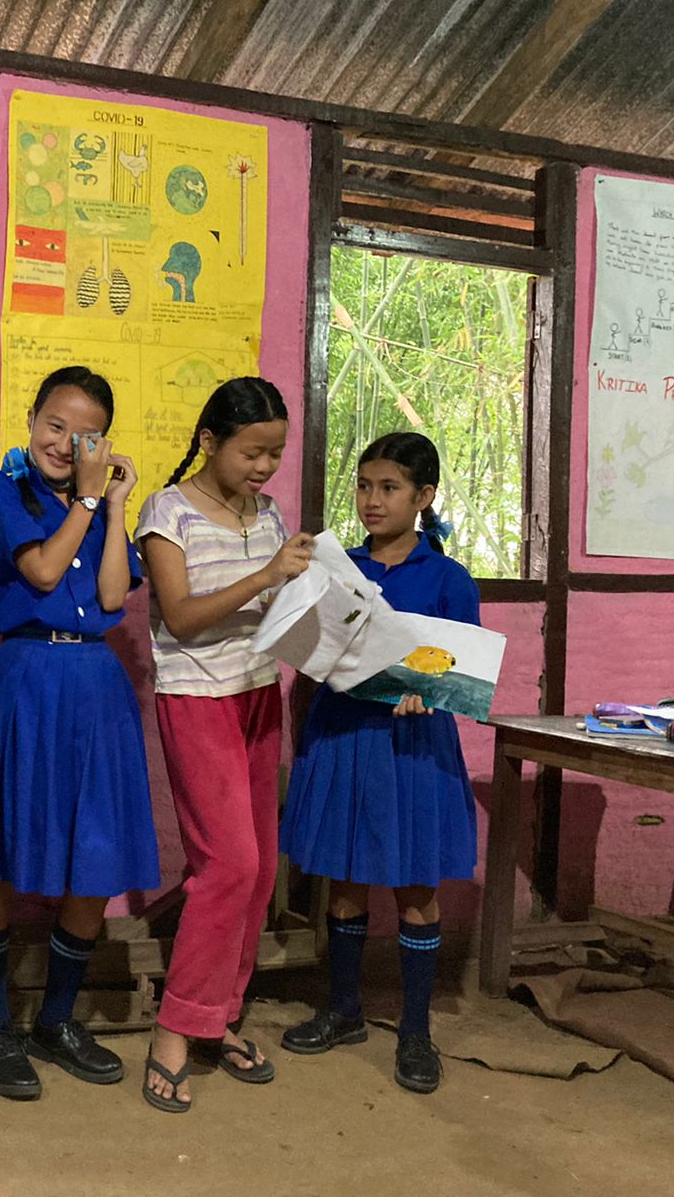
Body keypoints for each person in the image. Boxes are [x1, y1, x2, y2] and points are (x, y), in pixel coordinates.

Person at [0, 365, 160, 1100]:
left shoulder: (100, 503)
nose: (69, 443)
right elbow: (39, 572)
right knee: (0, 857)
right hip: (27, 683)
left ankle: (59, 1018)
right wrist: (92, 497)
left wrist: (117, 505)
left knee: (91, 854)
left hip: (96, 689)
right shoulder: (1, 491)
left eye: (88, 433)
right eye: (56, 425)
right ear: (32, 419)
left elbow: (110, 593)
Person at [279, 431, 479, 1095]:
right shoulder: (338, 568)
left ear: (423, 497)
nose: (372, 500)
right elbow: (311, 642)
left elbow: (461, 672)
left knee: (416, 890)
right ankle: (343, 1012)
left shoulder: (449, 579)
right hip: (342, 735)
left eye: (389, 488)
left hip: (412, 749)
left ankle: (417, 1032)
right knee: (344, 881)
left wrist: (431, 687)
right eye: (364, 485)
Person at [134, 378, 314, 1112]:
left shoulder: (267, 515)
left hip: (257, 694)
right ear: (209, 441)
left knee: (261, 869)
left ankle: (220, 1016)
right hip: (197, 698)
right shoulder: (166, 512)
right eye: (252, 451)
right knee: (228, 866)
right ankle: (175, 1030)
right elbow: (180, 617)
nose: (265, 467)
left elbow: (274, 611)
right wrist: (268, 575)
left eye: (274, 453)